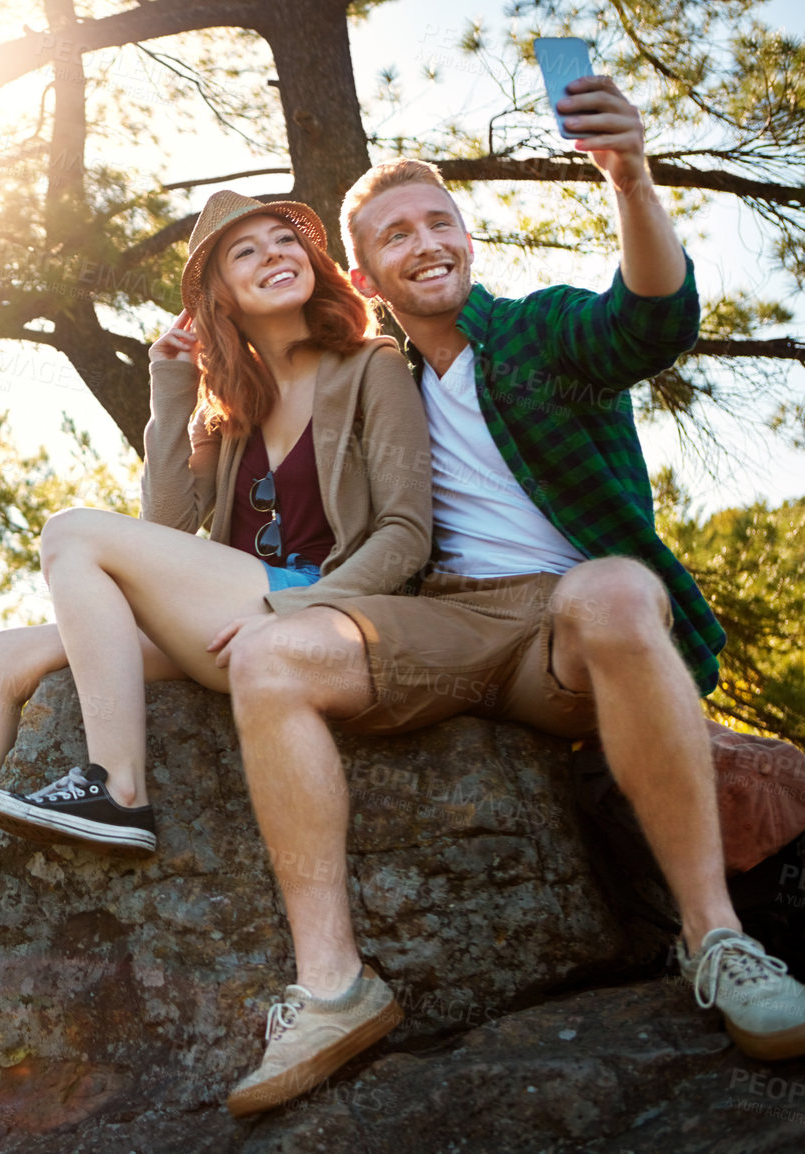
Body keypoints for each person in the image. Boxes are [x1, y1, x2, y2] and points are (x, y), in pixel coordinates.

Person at [213, 77, 805, 1119]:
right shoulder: (374, 385)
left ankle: (716, 938)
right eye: (395, 233)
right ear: (363, 272)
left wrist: (629, 177)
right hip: (443, 618)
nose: (425, 240)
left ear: (468, 238)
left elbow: (650, 320)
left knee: (619, 588)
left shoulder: (536, 335)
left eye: (440, 219)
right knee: (270, 660)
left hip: (570, 629)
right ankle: (332, 987)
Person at [0, 190, 433, 965]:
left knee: (72, 532)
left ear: (314, 262)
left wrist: (303, 610)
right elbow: (162, 537)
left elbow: (405, 534)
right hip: (239, 615)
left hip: (322, 617)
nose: (276, 256)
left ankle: (118, 787)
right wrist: (170, 396)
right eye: (246, 252)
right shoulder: (235, 408)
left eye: (284, 241)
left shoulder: (370, 366)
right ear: (217, 296)